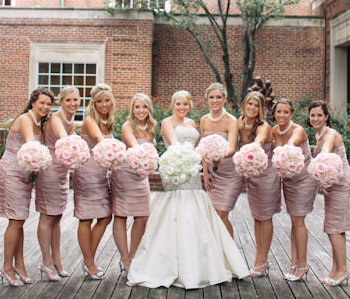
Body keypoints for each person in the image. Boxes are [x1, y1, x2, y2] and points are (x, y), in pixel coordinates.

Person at [127, 90, 250, 288]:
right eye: (178, 104)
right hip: (175, 168)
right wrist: (186, 161)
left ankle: (202, 264)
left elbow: (199, 148)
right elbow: (174, 144)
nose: (182, 107)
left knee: (195, 208)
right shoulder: (167, 123)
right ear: (172, 105)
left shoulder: (193, 124)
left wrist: (205, 168)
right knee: (177, 209)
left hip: (192, 169)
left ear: (189, 105)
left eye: (185, 104)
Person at [0, 87, 54, 287]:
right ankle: (6, 267)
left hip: (26, 174)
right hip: (11, 171)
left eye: (48, 104)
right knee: (16, 220)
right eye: (42, 103)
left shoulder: (40, 122)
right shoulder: (26, 120)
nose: (45, 107)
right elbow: (30, 143)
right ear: (33, 103)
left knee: (19, 220)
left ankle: (19, 265)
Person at [309, 100, 350, 287]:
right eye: (312, 115)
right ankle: (335, 269)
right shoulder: (318, 134)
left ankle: (344, 270)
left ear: (326, 117)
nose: (315, 118)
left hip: (344, 186)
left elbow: (325, 153)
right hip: (332, 186)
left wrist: (319, 162)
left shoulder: (329, 134)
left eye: (319, 115)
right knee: (336, 228)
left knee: (333, 228)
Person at [35, 86, 80, 281]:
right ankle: (46, 262)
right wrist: (76, 148)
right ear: (60, 102)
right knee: (47, 216)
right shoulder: (56, 118)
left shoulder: (71, 118)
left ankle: (57, 260)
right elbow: (63, 138)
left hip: (61, 170)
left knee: (57, 216)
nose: (73, 103)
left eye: (76, 99)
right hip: (49, 170)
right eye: (68, 100)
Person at [271, 98, 317, 281]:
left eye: (285, 112)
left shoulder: (298, 130)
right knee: (294, 221)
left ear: (291, 114)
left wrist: (285, 149)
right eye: (278, 112)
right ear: (274, 113)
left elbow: (292, 143)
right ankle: (294, 262)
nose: (281, 115)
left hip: (304, 179)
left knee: (298, 220)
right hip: (288, 180)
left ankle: (303, 264)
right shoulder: (274, 130)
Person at [73, 83, 115, 280]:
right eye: (100, 101)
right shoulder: (90, 120)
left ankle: (87, 260)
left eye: (107, 100)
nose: (104, 104)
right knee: (86, 218)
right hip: (88, 172)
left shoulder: (109, 120)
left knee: (105, 217)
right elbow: (100, 140)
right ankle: (89, 263)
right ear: (94, 103)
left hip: (101, 173)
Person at [111, 93, 156, 273]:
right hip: (125, 173)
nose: (141, 111)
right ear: (132, 109)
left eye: (144, 107)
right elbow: (134, 146)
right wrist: (145, 156)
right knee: (121, 215)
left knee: (142, 216)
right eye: (137, 107)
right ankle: (124, 258)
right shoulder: (127, 126)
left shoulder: (152, 126)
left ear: (149, 109)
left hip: (141, 174)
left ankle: (133, 254)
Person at [239, 91, 282, 277]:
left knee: (265, 217)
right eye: (250, 104)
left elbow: (258, 142)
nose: (252, 108)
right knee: (257, 217)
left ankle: (262, 260)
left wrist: (252, 149)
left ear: (261, 109)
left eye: (256, 105)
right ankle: (259, 257)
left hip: (266, 176)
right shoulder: (240, 122)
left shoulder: (264, 126)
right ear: (244, 105)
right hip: (252, 175)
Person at [200, 83, 242, 237]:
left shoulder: (231, 120)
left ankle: (230, 253)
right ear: (207, 99)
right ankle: (218, 252)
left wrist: (216, 155)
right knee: (213, 216)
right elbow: (203, 148)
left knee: (222, 215)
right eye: (211, 97)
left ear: (225, 99)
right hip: (212, 175)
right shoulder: (204, 120)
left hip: (230, 175)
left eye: (218, 97)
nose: (215, 100)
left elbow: (232, 148)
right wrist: (205, 173)